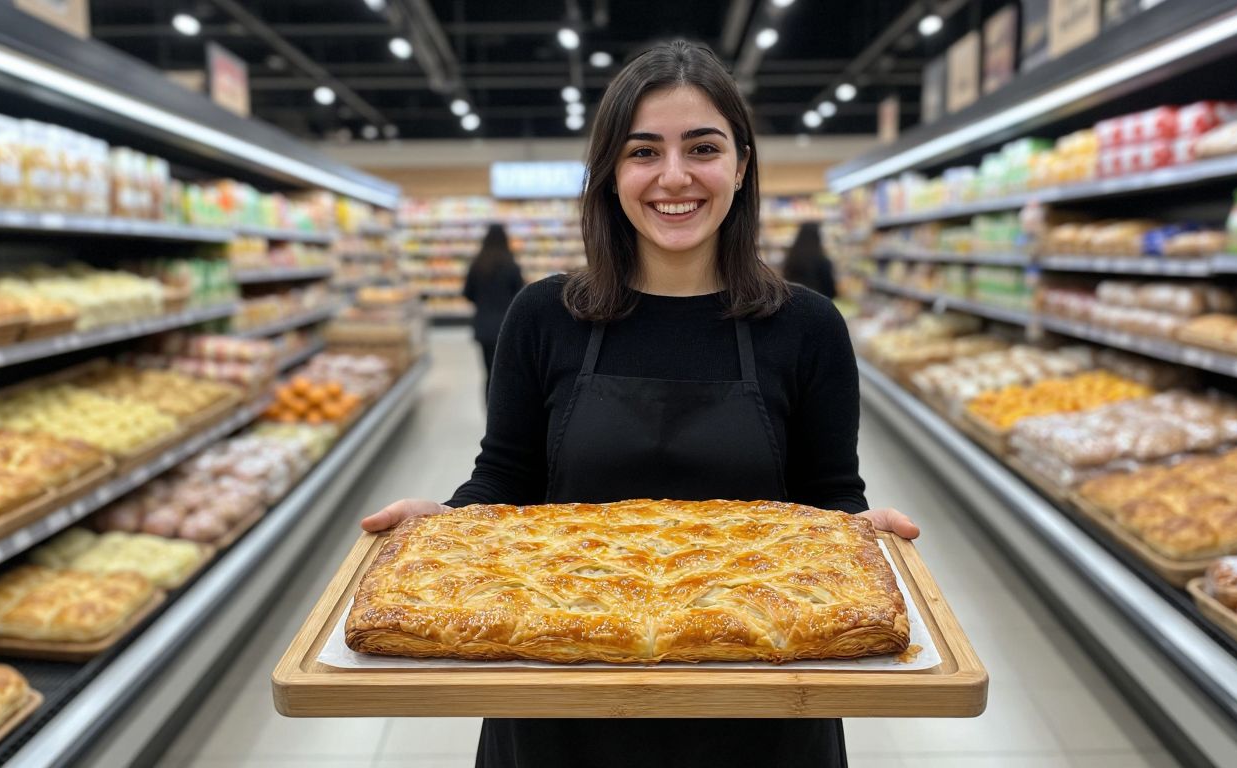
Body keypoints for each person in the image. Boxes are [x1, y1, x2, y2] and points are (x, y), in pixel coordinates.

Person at [362, 39, 919, 768]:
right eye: (644, 151)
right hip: (560, 701)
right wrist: (446, 531)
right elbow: (505, 479)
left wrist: (860, 535)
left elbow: (826, 506)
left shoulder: (807, 327)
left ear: (742, 166)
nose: (674, 176)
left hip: (761, 701)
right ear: (610, 174)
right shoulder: (543, 316)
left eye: (703, 148)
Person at [461, 223, 525, 398]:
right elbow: (521, 295)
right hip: (507, 326)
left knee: (489, 373)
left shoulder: (477, 265)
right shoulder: (511, 265)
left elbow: (467, 293)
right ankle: (504, 411)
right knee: (507, 374)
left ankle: (490, 411)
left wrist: (482, 302)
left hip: (483, 326)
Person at [782, 220, 837, 298]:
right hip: (818, 302)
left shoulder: (792, 257)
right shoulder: (822, 260)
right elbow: (830, 290)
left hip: (792, 300)